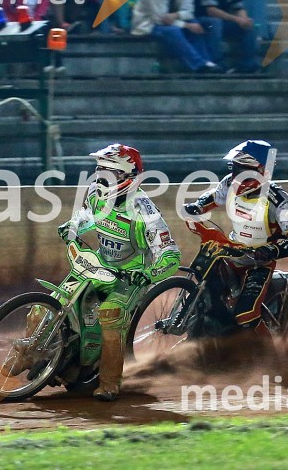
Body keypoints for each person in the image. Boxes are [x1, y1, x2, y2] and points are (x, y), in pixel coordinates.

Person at [57, 144, 181, 401]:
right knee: (58, 301)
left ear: (128, 178)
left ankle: (110, 383)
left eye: (109, 174)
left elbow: (171, 254)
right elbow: (88, 216)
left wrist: (148, 274)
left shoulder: (145, 212)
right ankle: (31, 356)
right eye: (100, 171)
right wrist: (73, 226)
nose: (101, 178)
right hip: (98, 264)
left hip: (131, 275)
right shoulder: (95, 193)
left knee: (110, 315)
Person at [183, 140, 288, 331]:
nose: (236, 176)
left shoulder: (278, 200)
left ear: (261, 171)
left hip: (258, 262)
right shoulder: (228, 183)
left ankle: (270, 351)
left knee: (245, 316)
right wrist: (197, 206)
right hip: (228, 252)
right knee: (205, 293)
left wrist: (272, 250)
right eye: (235, 169)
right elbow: (213, 196)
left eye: (243, 171)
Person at [132, 0, 222, 73]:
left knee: (196, 24)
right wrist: (186, 25)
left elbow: (189, 11)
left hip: (171, 22)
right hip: (148, 24)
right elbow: (160, 19)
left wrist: (176, 15)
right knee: (175, 30)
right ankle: (198, 63)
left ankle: (207, 61)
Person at [194, 0, 261, 73]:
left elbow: (239, 7)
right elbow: (211, 11)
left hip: (221, 24)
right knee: (215, 23)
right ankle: (217, 61)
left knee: (248, 26)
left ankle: (247, 63)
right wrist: (237, 19)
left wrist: (244, 20)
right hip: (203, 25)